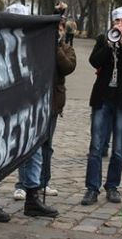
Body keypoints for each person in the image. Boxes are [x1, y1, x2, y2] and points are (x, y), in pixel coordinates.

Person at [81, 6, 122, 205]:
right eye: (118, 22)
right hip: (103, 98)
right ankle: (92, 188)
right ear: (112, 23)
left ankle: (112, 186)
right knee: (96, 146)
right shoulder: (103, 39)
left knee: (118, 147)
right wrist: (109, 45)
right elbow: (94, 61)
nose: (121, 25)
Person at [6, 2, 59, 217]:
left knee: (35, 151)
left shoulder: (36, 44)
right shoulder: (2, 43)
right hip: (7, 107)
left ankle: (32, 197)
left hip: (31, 105)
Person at [40, 11, 77, 197]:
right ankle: (23, 184)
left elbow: (67, 67)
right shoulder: (38, 46)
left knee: (47, 144)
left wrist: (55, 47)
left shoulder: (67, 49)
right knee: (29, 146)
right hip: (36, 101)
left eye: (60, 28)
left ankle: (43, 181)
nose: (58, 31)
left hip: (53, 101)